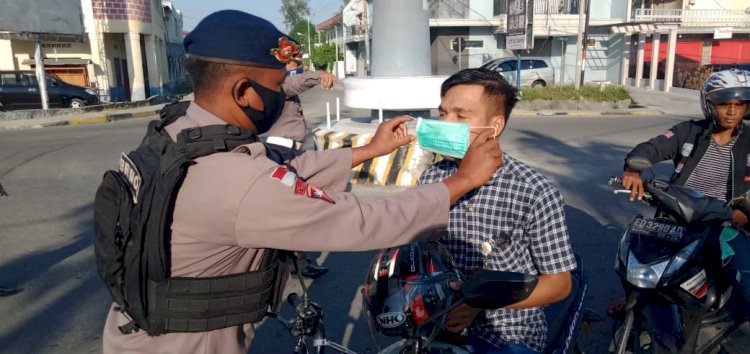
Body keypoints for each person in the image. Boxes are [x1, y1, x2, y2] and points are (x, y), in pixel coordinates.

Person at [101, 10, 503, 354]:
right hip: (185, 343)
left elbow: (282, 162)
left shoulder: (182, 128)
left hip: (141, 327)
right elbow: (362, 220)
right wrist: (462, 180)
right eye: (277, 87)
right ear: (243, 90)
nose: (281, 95)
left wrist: (368, 150)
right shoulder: (238, 184)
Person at [417, 68, 576, 353]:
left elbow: (559, 283)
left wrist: (480, 303)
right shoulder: (431, 179)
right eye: (443, 114)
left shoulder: (534, 190)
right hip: (436, 325)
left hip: (508, 333)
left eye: (460, 116)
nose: (446, 123)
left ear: (495, 126)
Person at [621, 68, 750, 315]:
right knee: (636, 255)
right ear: (709, 103)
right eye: (724, 104)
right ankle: (632, 302)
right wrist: (633, 169)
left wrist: (745, 211)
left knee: (745, 275)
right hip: (679, 214)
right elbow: (651, 148)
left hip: (724, 222)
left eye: (739, 104)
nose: (732, 111)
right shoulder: (689, 131)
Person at [265, 50, 337, 279]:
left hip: (290, 151)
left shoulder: (283, 83)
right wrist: (319, 75)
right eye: (294, 63)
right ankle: (297, 263)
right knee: (296, 208)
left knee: (294, 208)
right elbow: (296, 83)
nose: (297, 67)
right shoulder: (278, 84)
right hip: (283, 153)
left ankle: (295, 262)